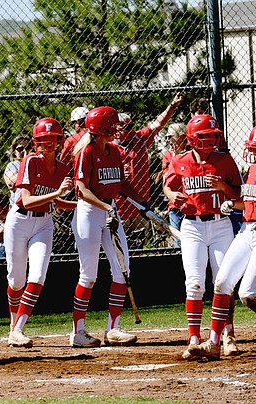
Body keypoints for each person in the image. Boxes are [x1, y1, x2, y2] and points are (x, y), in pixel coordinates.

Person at [187, 123, 256, 359]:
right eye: (253, 147)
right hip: (247, 231)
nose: (254, 152)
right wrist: (234, 204)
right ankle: (213, 342)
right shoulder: (252, 169)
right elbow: (251, 203)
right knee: (222, 282)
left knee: (248, 293)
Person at [69, 105, 153, 347]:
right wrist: (106, 210)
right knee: (89, 275)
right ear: (101, 128)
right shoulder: (86, 151)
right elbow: (82, 190)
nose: (117, 129)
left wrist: (143, 203)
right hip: (89, 212)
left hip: (109, 209)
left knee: (122, 269)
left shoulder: (115, 151)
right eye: (112, 126)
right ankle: (78, 332)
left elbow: (121, 184)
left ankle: (113, 329)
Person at [163, 114, 243, 359]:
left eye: (212, 137)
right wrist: (171, 195)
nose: (209, 142)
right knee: (195, 283)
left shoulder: (225, 160)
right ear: (191, 139)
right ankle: (194, 337)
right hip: (192, 226)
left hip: (221, 224)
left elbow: (239, 193)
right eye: (203, 137)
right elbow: (168, 185)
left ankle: (226, 335)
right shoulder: (180, 161)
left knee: (223, 282)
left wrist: (223, 187)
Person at [4, 117, 77, 348]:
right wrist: (57, 193)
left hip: (44, 223)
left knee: (37, 276)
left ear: (59, 141)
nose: (48, 144)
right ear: (36, 142)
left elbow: (56, 204)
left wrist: (83, 206)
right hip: (19, 221)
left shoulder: (63, 168)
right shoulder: (30, 161)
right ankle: (13, 325)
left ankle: (18, 329)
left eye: (52, 139)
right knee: (16, 280)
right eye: (43, 140)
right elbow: (26, 200)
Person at [114, 93, 184, 237]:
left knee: (143, 244)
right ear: (117, 130)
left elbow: (158, 124)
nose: (131, 130)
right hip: (119, 207)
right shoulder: (109, 148)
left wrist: (172, 106)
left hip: (141, 206)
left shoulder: (139, 138)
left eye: (131, 126)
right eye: (127, 127)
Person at [158, 123, 188, 246]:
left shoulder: (191, 154)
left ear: (181, 137)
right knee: (178, 241)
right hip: (175, 205)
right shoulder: (168, 156)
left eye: (170, 136)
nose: (168, 140)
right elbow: (168, 180)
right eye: (166, 137)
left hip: (190, 203)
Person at [4, 135, 32, 205]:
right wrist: (25, 163)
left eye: (27, 147)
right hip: (17, 207)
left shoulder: (37, 164)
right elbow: (12, 184)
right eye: (20, 149)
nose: (24, 151)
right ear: (14, 152)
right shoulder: (12, 165)